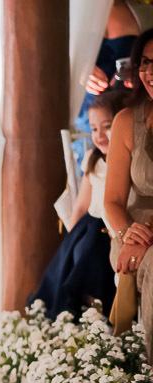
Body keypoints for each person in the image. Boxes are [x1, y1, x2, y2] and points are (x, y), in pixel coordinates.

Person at [29, 91, 126, 319]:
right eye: (93, 129)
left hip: (111, 229)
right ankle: (74, 309)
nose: (100, 135)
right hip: (90, 228)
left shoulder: (125, 162)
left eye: (108, 126)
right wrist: (71, 243)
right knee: (82, 248)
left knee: (94, 248)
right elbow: (81, 207)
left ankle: (91, 310)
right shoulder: (93, 159)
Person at [105, 28, 153, 359]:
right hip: (131, 233)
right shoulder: (125, 121)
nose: (150, 72)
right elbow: (111, 201)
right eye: (145, 62)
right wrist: (127, 233)